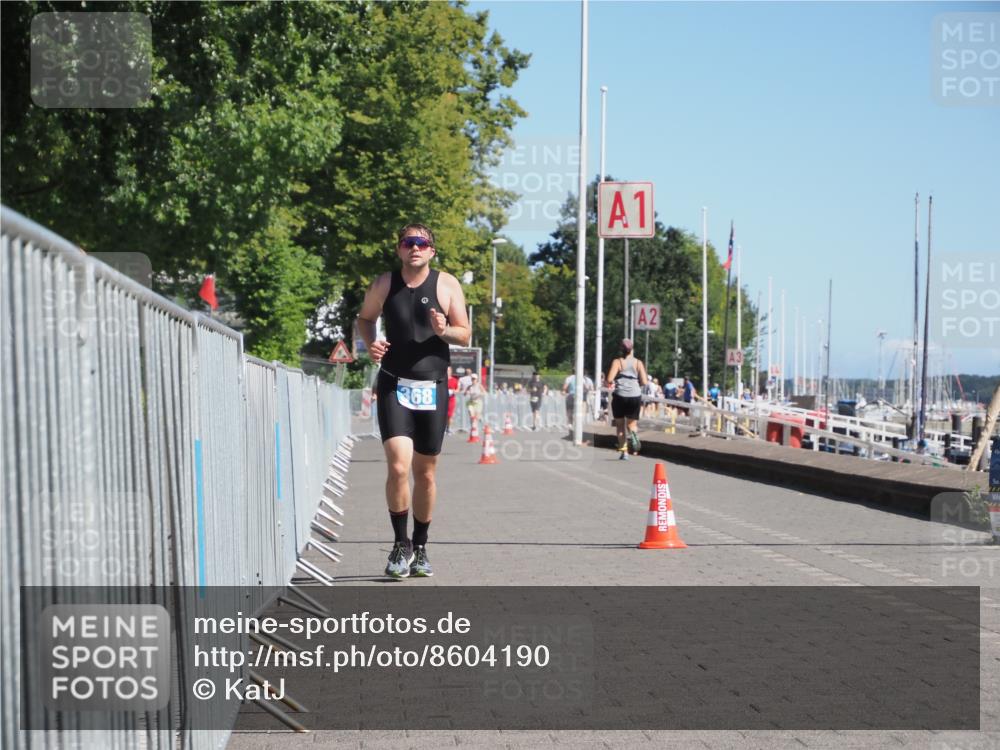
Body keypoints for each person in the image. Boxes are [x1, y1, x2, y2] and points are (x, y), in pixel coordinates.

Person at [357, 223, 470, 579]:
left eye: (422, 243)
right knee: (399, 467)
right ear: (400, 249)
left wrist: (443, 331)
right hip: (393, 384)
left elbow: (464, 334)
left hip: (433, 386)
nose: (415, 248)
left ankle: (421, 546)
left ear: (431, 250)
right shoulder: (384, 284)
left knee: (426, 474)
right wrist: (371, 344)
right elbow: (365, 319)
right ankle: (400, 544)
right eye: (409, 242)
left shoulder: (447, 284)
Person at [605, 339, 649, 460]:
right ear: (632, 349)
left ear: (621, 349)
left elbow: (609, 379)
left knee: (620, 425)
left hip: (620, 395)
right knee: (632, 423)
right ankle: (633, 433)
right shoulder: (638, 363)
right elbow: (645, 382)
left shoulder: (617, 362)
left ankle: (624, 452)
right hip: (635, 395)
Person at [446, 366, 459, 433]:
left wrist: (454, 391)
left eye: (449, 370)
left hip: (451, 400)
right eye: (446, 370)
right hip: (444, 400)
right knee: (443, 415)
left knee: (449, 415)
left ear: (451, 371)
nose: (447, 372)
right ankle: (444, 428)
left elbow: (458, 389)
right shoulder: (443, 380)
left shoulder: (454, 380)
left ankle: (449, 428)